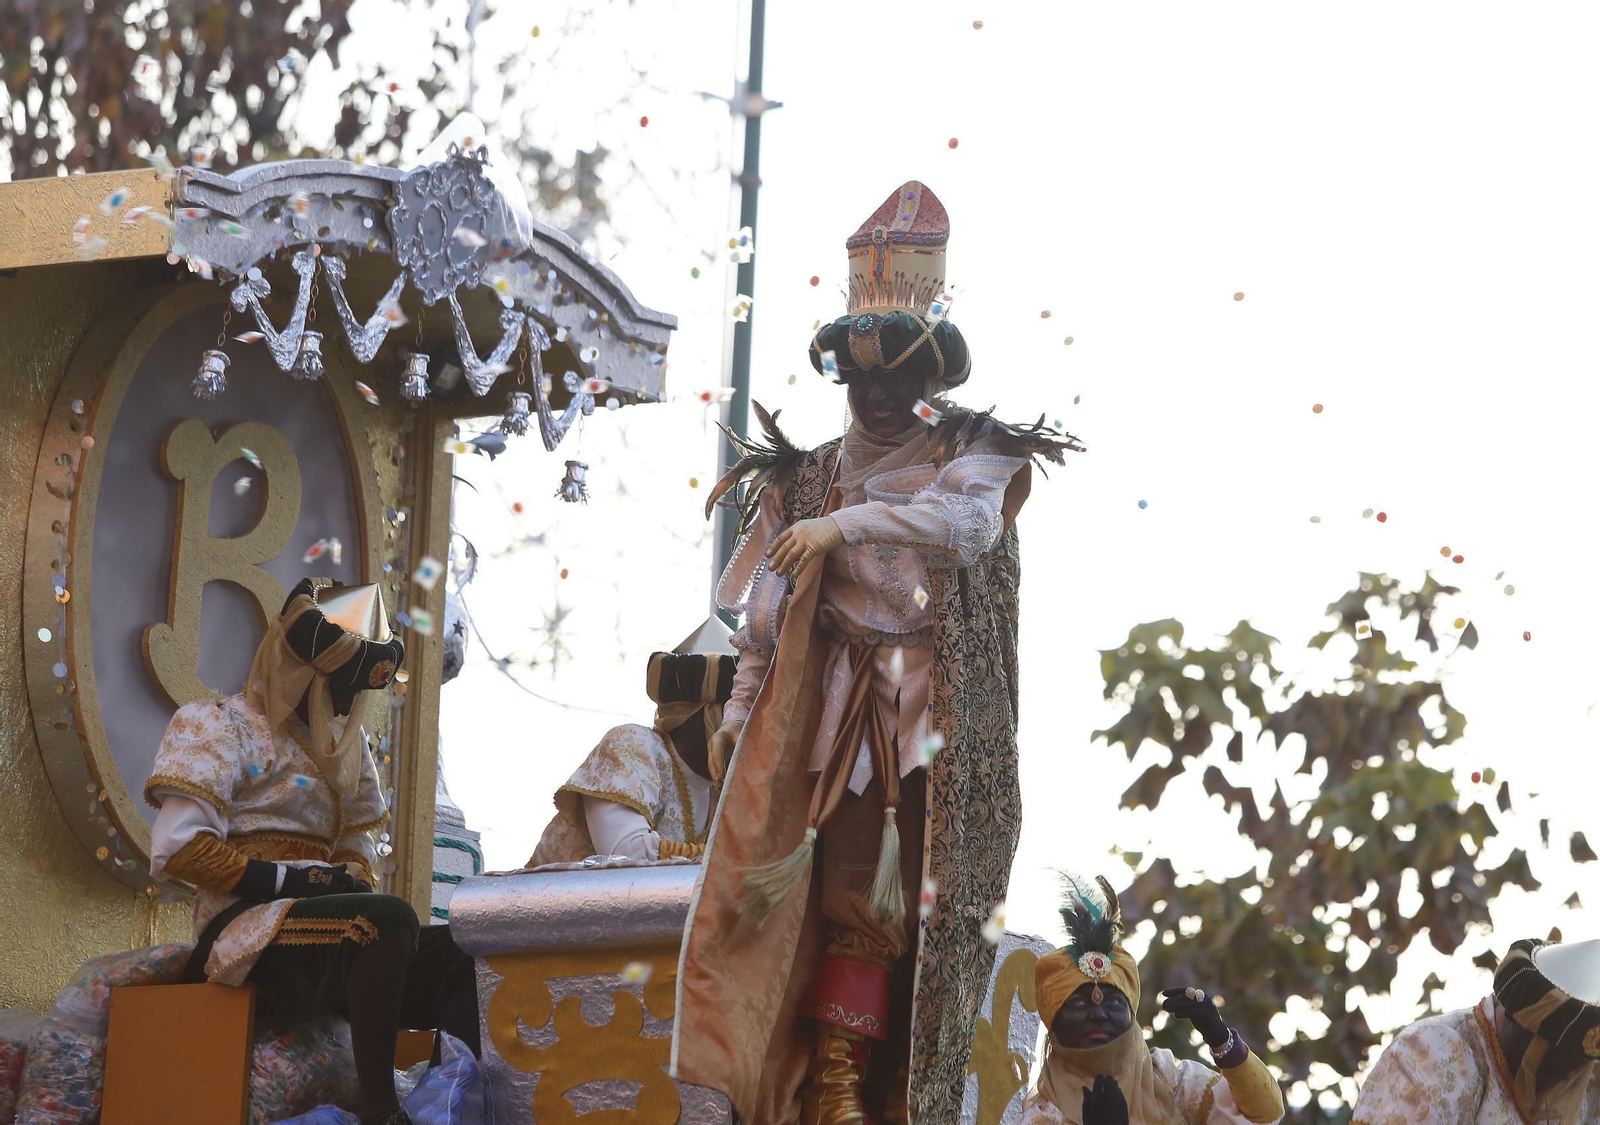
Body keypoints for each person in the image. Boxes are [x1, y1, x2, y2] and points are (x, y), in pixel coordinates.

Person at [672, 180, 1082, 1125]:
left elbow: (965, 529)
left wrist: (839, 529)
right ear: (847, 378)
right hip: (830, 716)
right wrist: (737, 713)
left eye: (904, 377)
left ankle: (878, 1083)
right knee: (830, 897)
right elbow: (764, 614)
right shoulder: (802, 474)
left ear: (930, 380)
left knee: (921, 910)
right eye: (870, 378)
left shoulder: (977, 451)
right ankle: (832, 1081)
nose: (887, 395)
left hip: (936, 721)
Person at [146, 578, 473, 1125]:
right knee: (386, 921)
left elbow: (355, 844)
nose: (347, 705)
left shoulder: (347, 750)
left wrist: (346, 875)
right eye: (340, 687)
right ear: (302, 671)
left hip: (329, 930)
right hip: (240, 932)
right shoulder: (218, 724)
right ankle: (381, 1112)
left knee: (463, 949)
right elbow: (178, 850)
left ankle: (463, 1098)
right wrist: (291, 883)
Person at [1020, 876, 1284, 1125]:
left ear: (1131, 1015)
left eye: (1113, 1003)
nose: (1099, 1015)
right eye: (1078, 1004)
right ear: (1053, 1022)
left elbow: (1264, 1117)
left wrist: (1222, 1039)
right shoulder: (1042, 1116)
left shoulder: (1170, 1081)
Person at [526, 621, 737, 866]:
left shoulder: (724, 789)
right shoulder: (632, 746)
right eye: (737, 712)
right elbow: (626, 856)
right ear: (701, 710)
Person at [1351, 938, 1600, 1124]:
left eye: (1579, 1063)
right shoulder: (1430, 1056)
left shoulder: (1586, 1078)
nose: (1566, 1075)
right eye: (1556, 1054)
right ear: (1520, 1019)